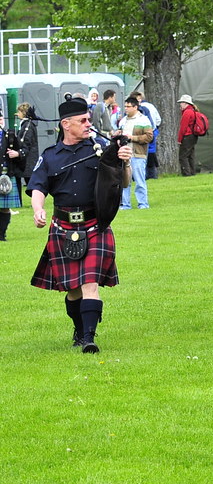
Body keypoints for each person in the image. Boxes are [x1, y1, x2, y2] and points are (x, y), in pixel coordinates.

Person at [28, 96, 133, 353]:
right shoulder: (50, 156)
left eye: (89, 119)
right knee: (73, 289)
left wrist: (125, 161)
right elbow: (38, 187)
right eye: (83, 120)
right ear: (66, 124)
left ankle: (89, 338)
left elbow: (125, 183)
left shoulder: (100, 149)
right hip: (63, 228)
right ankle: (78, 329)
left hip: (95, 224)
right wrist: (38, 209)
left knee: (90, 283)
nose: (89, 124)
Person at [116, 97, 153, 209]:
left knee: (139, 180)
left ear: (135, 107)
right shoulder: (123, 121)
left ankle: (143, 203)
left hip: (138, 154)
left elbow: (149, 137)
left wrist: (133, 138)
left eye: (128, 106)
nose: (126, 109)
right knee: (124, 181)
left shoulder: (143, 120)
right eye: (125, 106)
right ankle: (125, 204)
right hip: (125, 155)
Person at [0, 109, 24, 241]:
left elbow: (23, 149)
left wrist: (18, 153)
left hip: (6, 174)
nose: (0, 121)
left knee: (4, 207)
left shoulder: (9, 135)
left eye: (1, 118)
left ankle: (1, 234)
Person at [14, 102, 39, 190]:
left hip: (28, 159)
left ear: (24, 113)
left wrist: (19, 152)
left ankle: (36, 202)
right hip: (27, 159)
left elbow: (26, 141)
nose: (17, 114)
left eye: (19, 112)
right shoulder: (26, 124)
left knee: (31, 185)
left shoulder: (27, 125)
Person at [177, 94, 200, 176]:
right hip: (193, 136)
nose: (180, 104)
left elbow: (183, 127)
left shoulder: (187, 112)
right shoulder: (193, 111)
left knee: (183, 156)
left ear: (186, 103)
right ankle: (192, 172)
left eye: (181, 102)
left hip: (187, 136)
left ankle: (186, 173)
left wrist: (179, 139)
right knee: (190, 155)